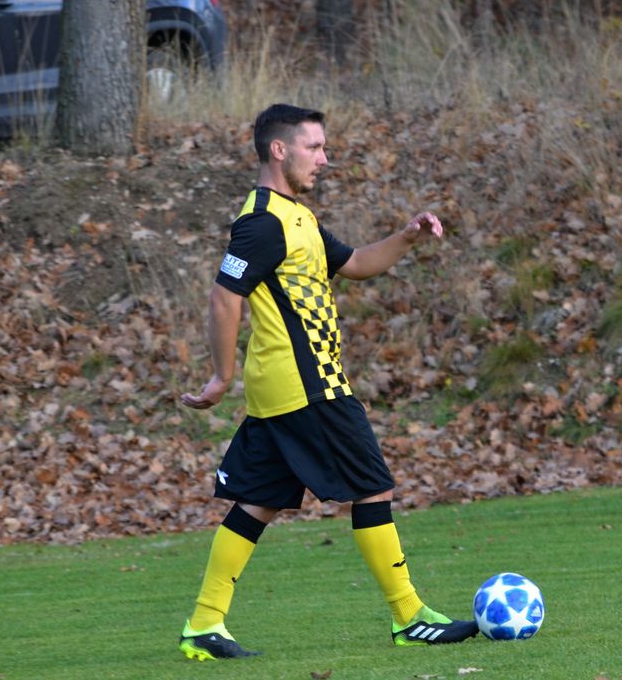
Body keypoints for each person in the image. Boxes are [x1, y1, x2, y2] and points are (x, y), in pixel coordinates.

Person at [176, 104, 477, 661]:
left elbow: (356, 262)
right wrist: (220, 376)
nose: (325, 158)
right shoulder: (262, 222)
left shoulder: (299, 218)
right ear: (279, 150)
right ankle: (410, 616)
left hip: (284, 389)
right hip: (310, 386)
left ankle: (203, 624)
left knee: (257, 503)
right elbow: (223, 296)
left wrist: (407, 236)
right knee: (373, 487)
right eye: (314, 147)